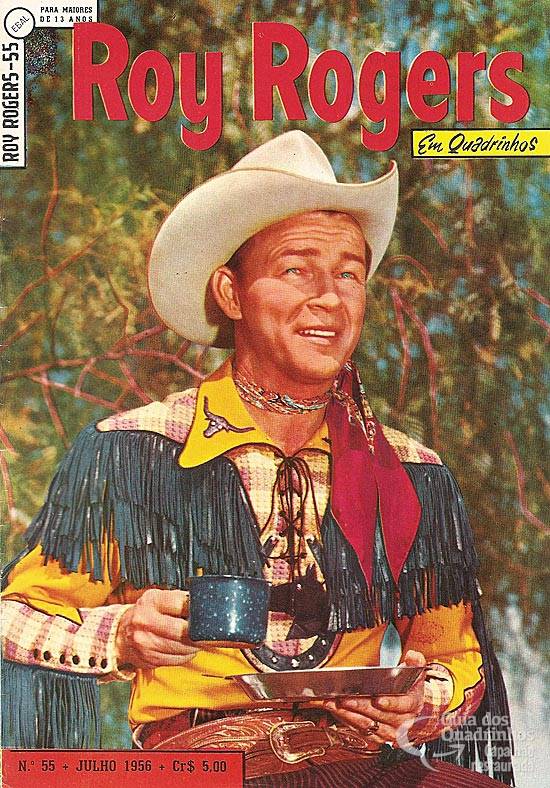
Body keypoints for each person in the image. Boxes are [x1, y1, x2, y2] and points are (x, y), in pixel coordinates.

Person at [2, 132, 513, 785]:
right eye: (297, 269)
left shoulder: (412, 474)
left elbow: (456, 660)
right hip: (196, 765)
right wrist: (122, 633)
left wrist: (417, 698)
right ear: (231, 292)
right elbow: (13, 617)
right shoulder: (132, 452)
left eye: (349, 274)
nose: (329, 297)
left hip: (357, 762)